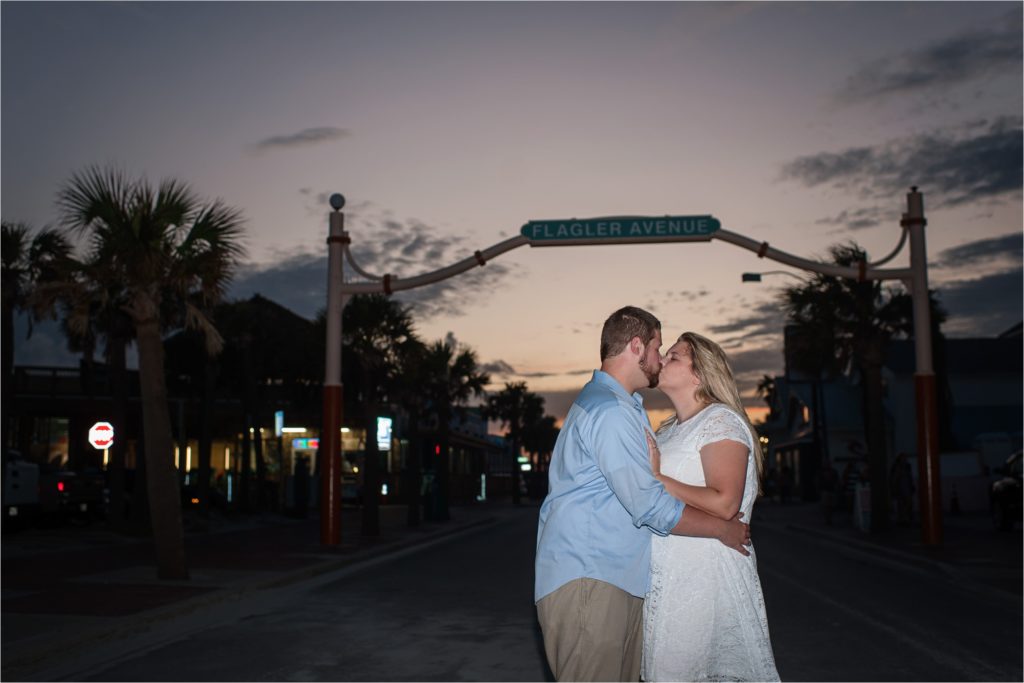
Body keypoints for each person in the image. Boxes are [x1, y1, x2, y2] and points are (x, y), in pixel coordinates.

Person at [535, 307, 752, 682]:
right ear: (637, 346)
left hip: (616, 580)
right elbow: (648, 502)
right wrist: (720, 529)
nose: (660, 358)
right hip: (592, 577)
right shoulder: (609, 411)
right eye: (657, 347)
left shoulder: (623, 409)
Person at [643, 331, 779, 682]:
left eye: (674, 356)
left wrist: (657, 477)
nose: (663, 359)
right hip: (670, 574)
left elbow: (725, 502)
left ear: (700, 373)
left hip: (704, 576)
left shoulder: (720, 421)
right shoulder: (669, 430)